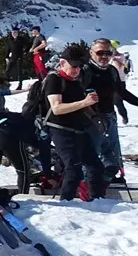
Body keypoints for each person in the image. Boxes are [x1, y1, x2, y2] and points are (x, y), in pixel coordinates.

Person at [85, 38, 138, 179]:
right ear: (91, 53)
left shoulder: (111, 71)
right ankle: (86, 185)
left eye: (108, 53)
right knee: (91, 154)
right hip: (90, 119)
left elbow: (122, 93)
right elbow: (78, 97)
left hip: (110, 117)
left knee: (112, 155)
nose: (104, 56)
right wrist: (94, 117)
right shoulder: (85, 71)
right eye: (100, 52)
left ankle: (108, 181)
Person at [41, 43, 110, 202]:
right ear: (62, 63)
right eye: (74, 66)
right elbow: (57, 108)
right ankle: (67, 204)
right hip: (60, 129)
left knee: (96, 166)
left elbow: (79, 105)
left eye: (79, 67)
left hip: (79, 129)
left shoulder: (76, 81)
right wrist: (85, 103)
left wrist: (95, 118)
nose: (77, 70)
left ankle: (97, 201)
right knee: (74, 169)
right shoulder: (54, 80)